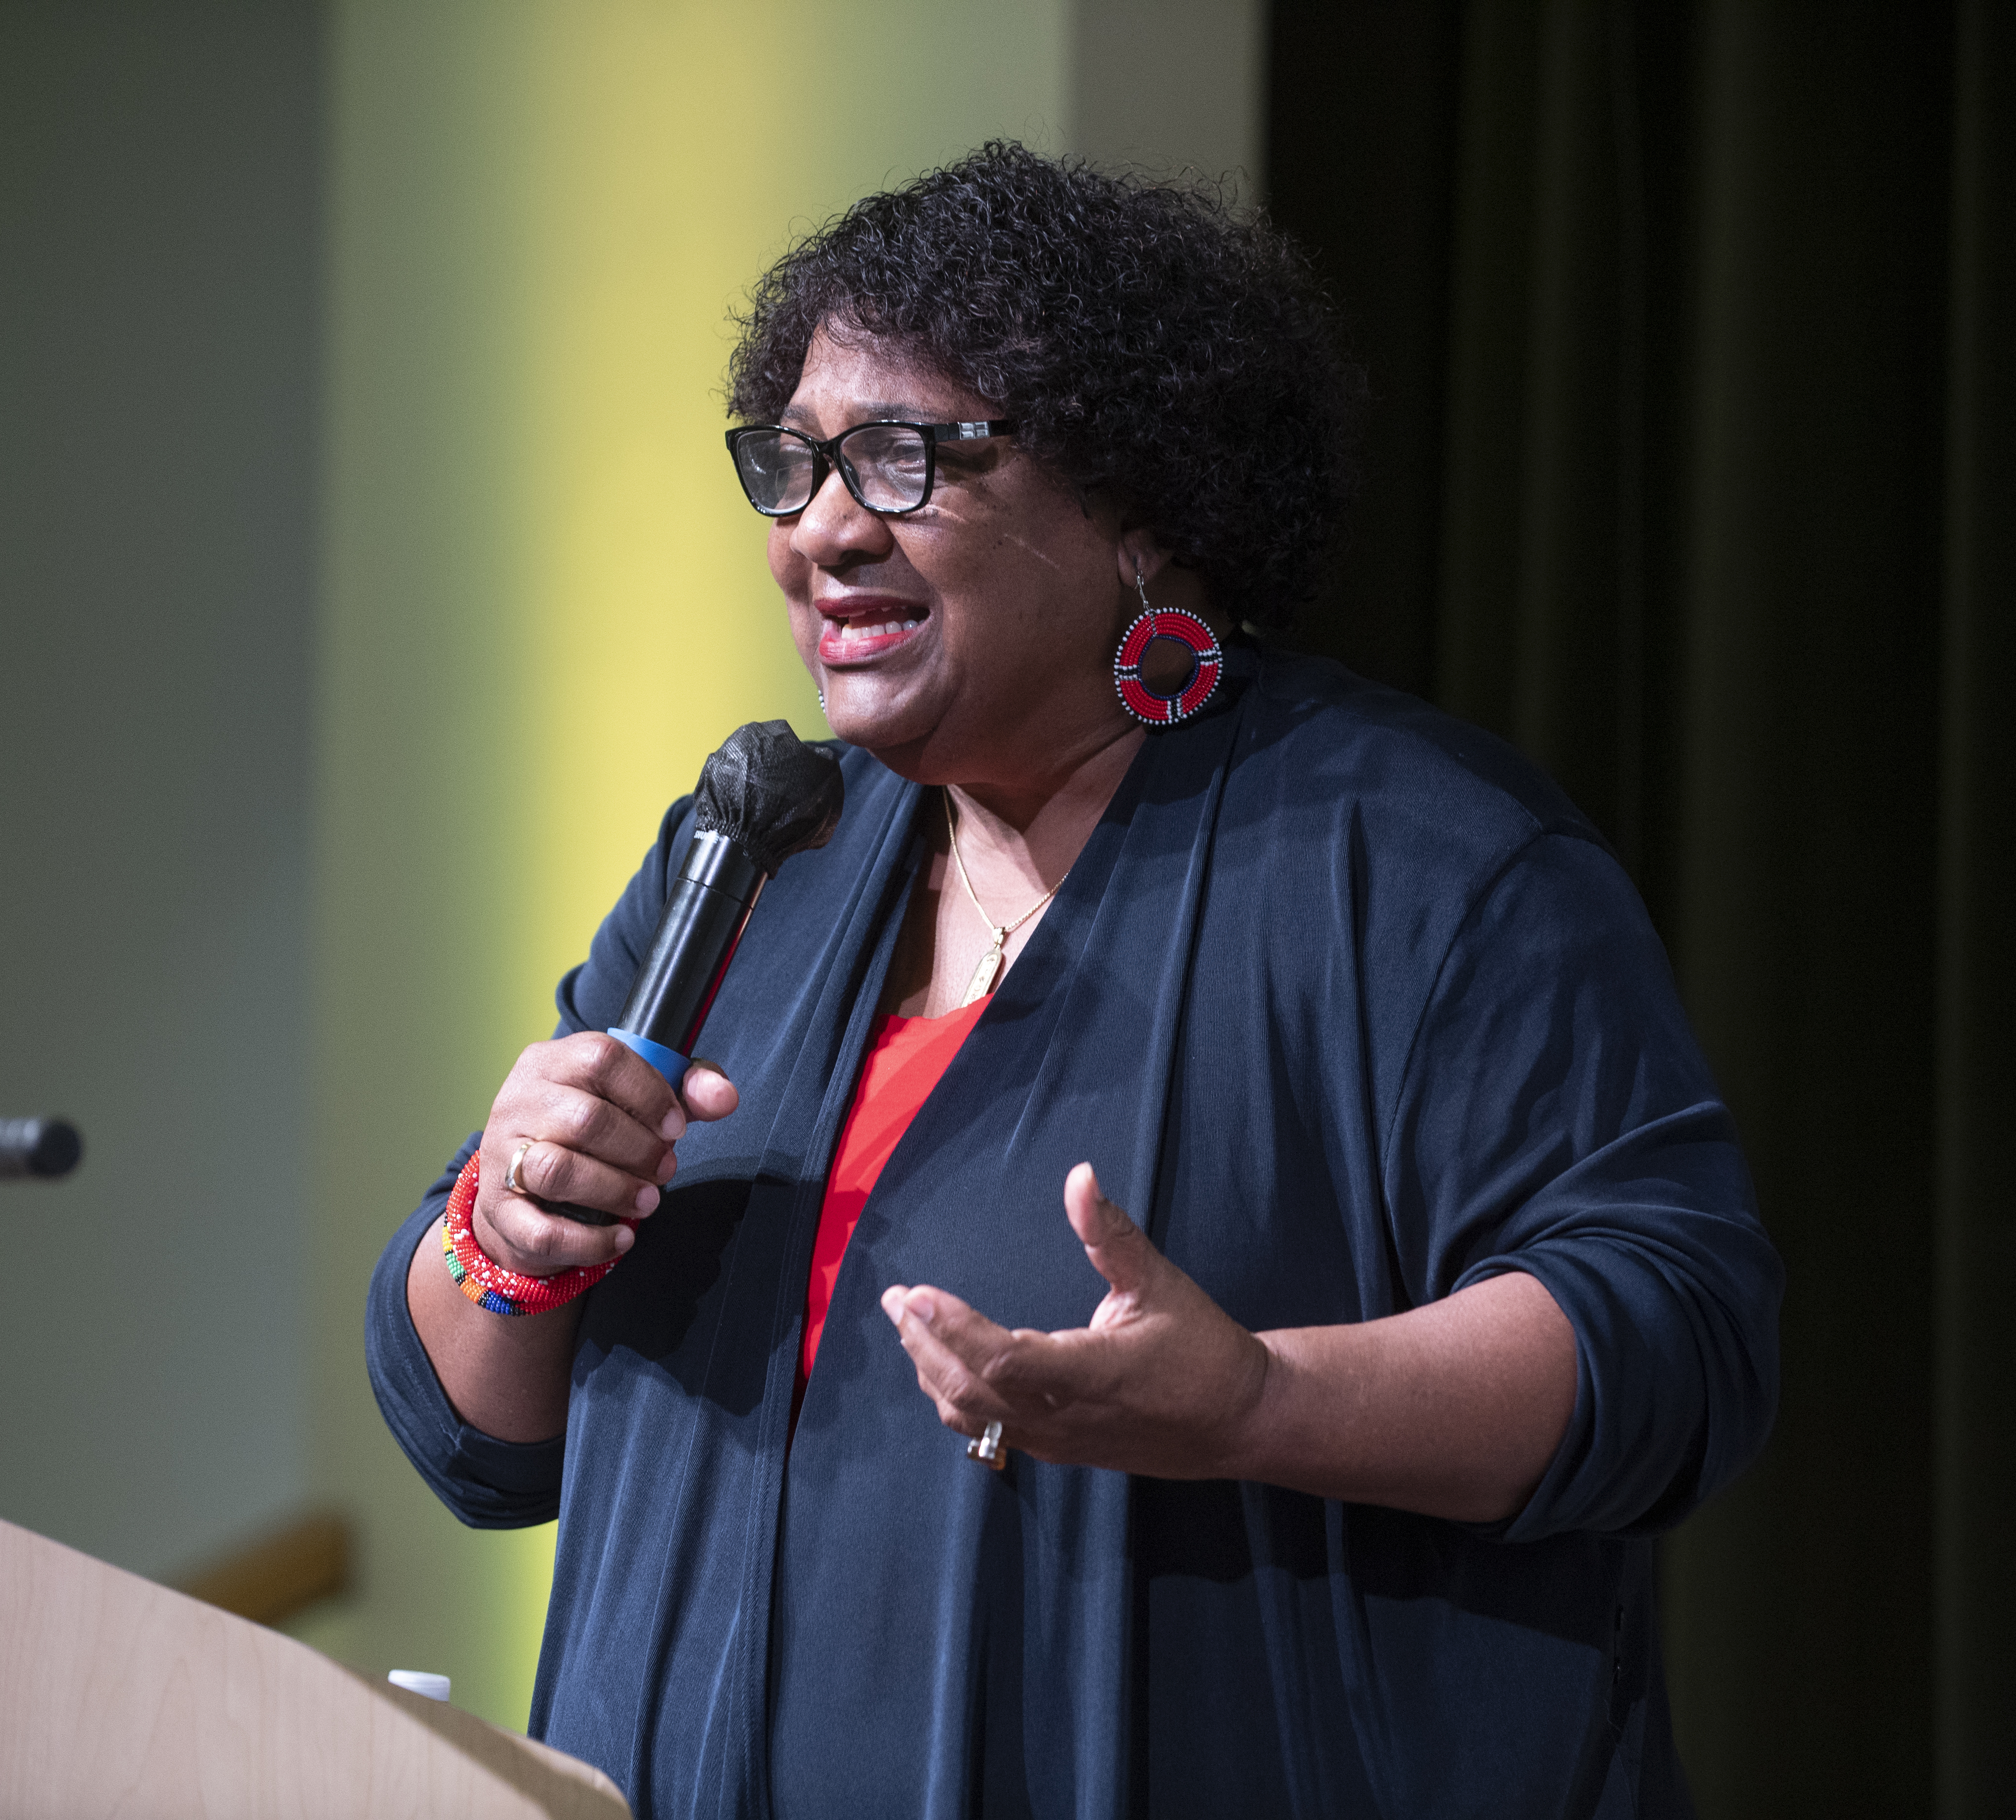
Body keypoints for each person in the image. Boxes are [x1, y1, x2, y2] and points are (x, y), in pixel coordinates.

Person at [368, 143, 1781, 1819]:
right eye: (792, 463)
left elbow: (1672, 1339)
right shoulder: (752, 864)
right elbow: (480, 1435)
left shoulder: (1417, 864)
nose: (821, 528)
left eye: (900, 457)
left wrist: (1260, 1403)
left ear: (1139, 503)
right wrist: (505, 1228)